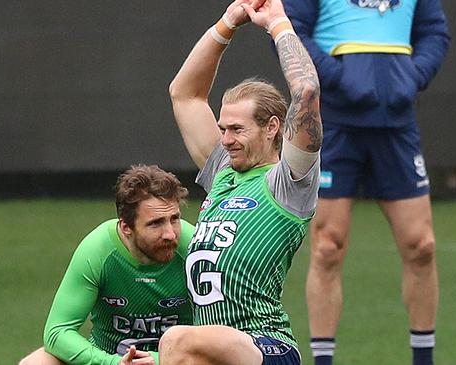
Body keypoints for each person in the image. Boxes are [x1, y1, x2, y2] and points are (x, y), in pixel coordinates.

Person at [281, 0, 450, 364]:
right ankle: (323, 360)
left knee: (421, 246)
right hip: (336, 125)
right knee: (327, 247)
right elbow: (291, 29)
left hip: (397, 126)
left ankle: (424, 360)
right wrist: (341, 79)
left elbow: (435, 33)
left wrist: (411, 76)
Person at [157, 0, 322, 364]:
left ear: (273, 127)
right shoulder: (223, 171)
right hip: (213, 349)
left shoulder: (288, 182)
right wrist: (228, 23)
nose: (226, 139)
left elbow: (306, 91)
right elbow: (184, 94)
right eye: (222, 129)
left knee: (177, 341)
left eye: (237, 129)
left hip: (266, 346)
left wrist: (277, 21)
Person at [19, 164, 195, 365]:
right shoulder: (99, 250)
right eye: (155, 223)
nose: (170, 234)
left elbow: (223, 329)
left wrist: (158, 360)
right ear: (126, 227)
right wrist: (110, 362)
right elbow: (57, 332)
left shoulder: (195, 248)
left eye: (174, 219)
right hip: (109, 359)